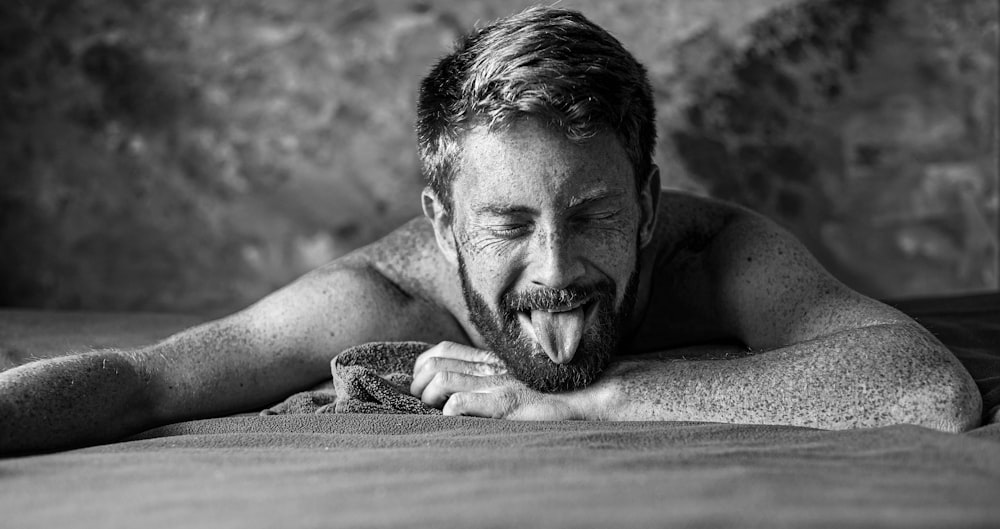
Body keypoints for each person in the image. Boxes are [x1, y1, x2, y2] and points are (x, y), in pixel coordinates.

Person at [0, 6, 981, 454]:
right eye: (507, 223)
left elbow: (928, 388)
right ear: (440, 219)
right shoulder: (377, 299)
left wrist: (574, 401)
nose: (554, 266)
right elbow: (143, 377)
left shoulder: (713, 254)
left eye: (593, 213)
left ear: (645, 201)